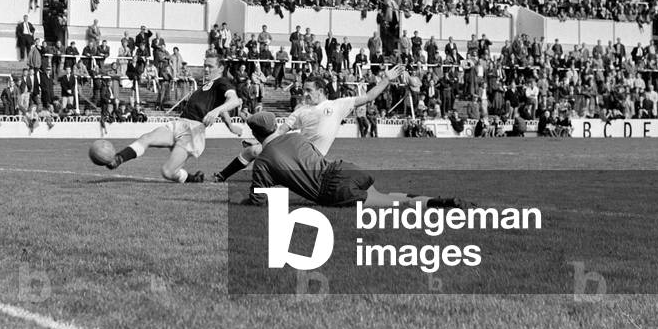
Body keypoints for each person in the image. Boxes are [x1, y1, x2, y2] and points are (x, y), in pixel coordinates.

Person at [213, 64, 401, 182]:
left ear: (321, 90)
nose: (305, 94)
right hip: (293, 151)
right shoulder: (300, 111)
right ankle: (222, 175)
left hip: (312, 157)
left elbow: (369, 96)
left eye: (309, 90)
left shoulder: (337, 105)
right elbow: (281, 132)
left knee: (263, 157)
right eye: (304, 90)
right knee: (253, 151)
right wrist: (263, 141)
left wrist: (386, 79)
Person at [243, 112, 463, 209]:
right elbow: (316, 158)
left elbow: (259, 200)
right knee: (386, 197)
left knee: (392, 204)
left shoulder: (263, 161)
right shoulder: (296, 137)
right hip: (343, 169)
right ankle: (436, 200)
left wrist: (242, 201)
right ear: (274, 125)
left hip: (332, 189)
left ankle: (439, 204)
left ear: (255, 133)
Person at [100, 54, 242, 183]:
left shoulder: (222, 82)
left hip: (192, 131)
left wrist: (216, 111)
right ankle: (117, 159)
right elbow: (222, 107)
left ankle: (193, 178)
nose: (205, 69)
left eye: (210, 66)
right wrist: (230, 126)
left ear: (221, 68)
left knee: (168, 172)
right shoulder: (208, 85)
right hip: (179, 123)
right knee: (146, 138)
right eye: (204, 65)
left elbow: (234, 100)